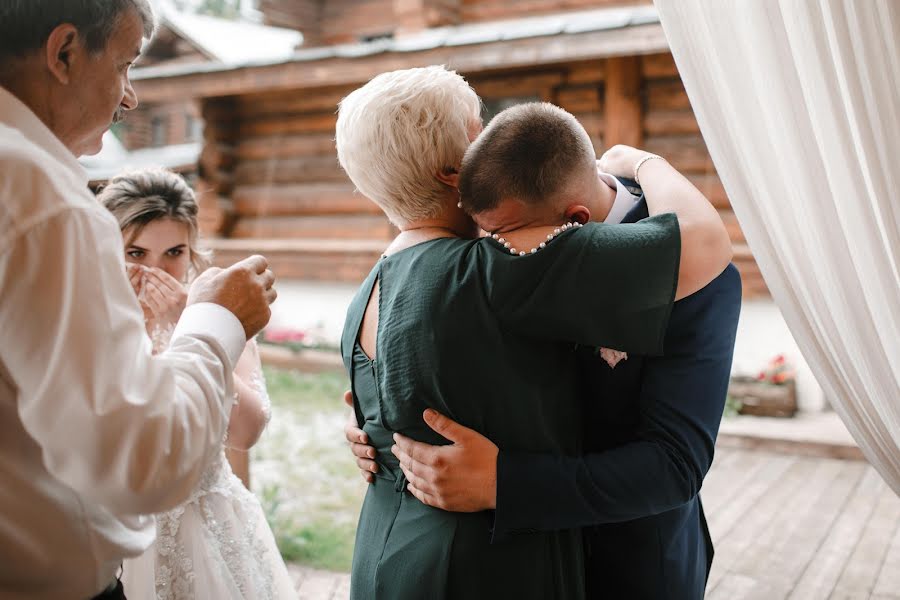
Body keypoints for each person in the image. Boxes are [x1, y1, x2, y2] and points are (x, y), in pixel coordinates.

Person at [335, 67, 731, 599]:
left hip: (630, 565)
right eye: (480, 128)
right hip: (498, 566)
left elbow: (674, 463)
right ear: (458, 169)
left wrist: (378, 426)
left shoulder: (378, 283)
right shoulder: (487, 266)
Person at [0, 3, 276, 599]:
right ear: (64, 53)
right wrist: (215, 318)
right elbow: (142, 460)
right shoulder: (36, 196)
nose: (129, 99)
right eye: (125, 66)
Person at [98, 169, 295, 600]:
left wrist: (190, 326)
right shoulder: (89, 321)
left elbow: (247, 431)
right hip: (116, 531)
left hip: (207, 526)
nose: (154, 271)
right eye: (135, 252)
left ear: (192, 253)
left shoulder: (221, 310)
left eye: (173, 252)